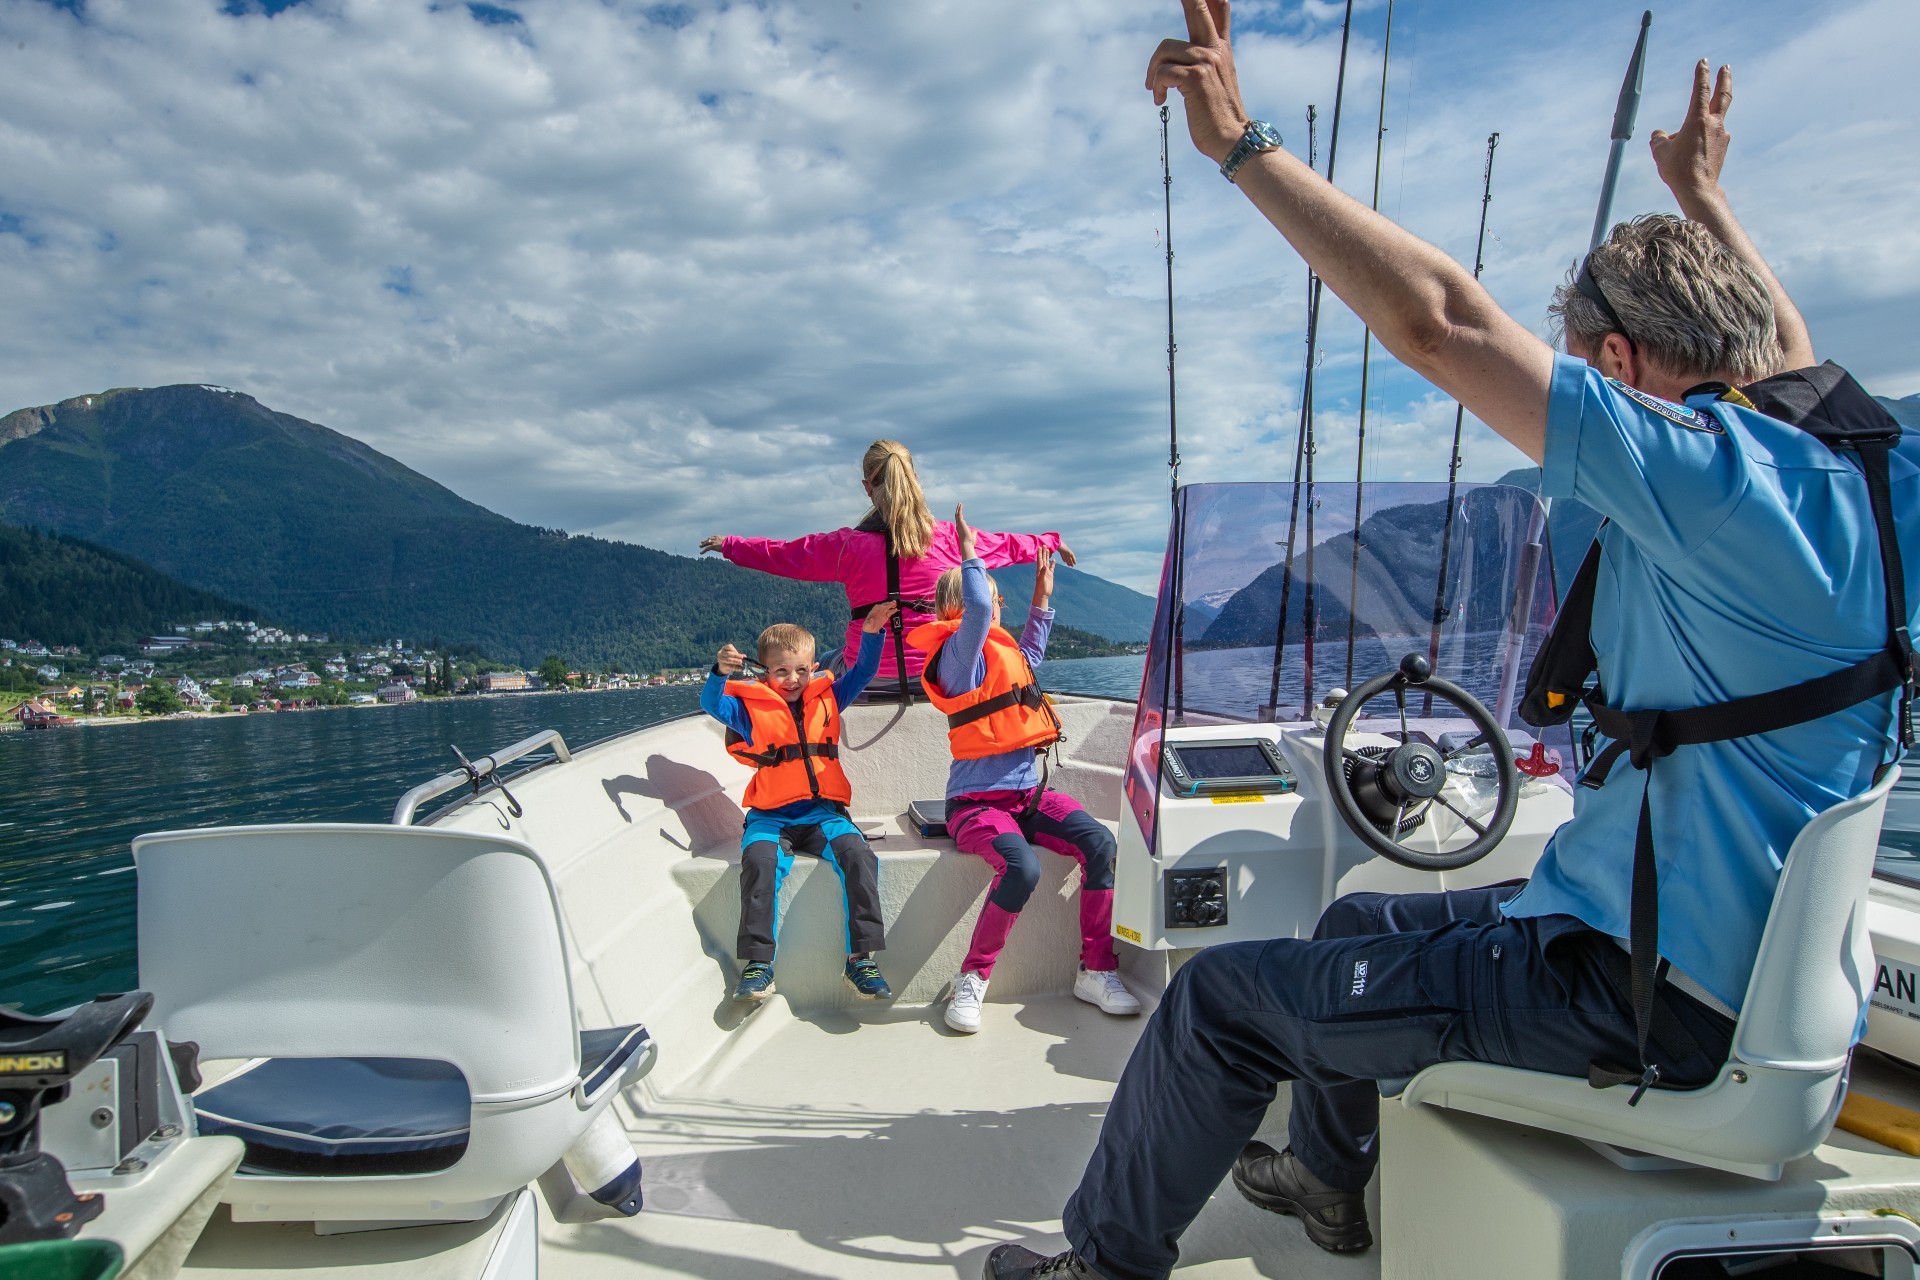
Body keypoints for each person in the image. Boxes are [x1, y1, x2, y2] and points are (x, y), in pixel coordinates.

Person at [985, 6, 1917, 1279]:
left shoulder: (1706, 476)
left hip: (1644, 995)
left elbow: (1442, 324)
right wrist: (1706, 199)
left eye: (1591, 368)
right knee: (1353, 916)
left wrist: (1241, 145)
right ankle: (1326, 1176)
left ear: (1624, 361)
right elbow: (1792, 356)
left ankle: (1100, 1264)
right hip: (1763, 980)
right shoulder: (1870, 476)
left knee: (1215, 1001)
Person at [909, 506, 1142, 1034]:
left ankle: (1097, 970)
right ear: (959, 609)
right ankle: (973, 978)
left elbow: (1030, 652)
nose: (993, 611)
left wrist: (1042, 595)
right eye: (987, 602)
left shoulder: (1000, 649)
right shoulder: (956, 658)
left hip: (1028, 798)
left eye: (996, 603)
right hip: (976, 806)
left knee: (1100, 844)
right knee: (1022, 868)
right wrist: (968, 549)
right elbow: (972, 608)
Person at [700, 440, 1076, 688]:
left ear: (868, 487)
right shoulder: (950, 539)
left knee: (827, 659)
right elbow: (1009, 547)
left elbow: (783, 555)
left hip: (867, 676)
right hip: (937, 674)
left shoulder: (846, 546)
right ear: (914, 478)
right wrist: (1050, 542)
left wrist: (730, 545)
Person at [701, 603, 899, 1004]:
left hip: (822, 814)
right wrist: (719, 673)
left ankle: (860, 959)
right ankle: (758, 964)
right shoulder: (748, 711)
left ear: (812, 667)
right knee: (759, 862)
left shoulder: (829, 696)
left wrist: (873, 632)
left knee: (860, 857)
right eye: (781, 671)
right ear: (764, 671)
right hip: (770, 817)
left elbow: (863, 671)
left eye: (802, 670)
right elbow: (713, 704)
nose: (793, 680)